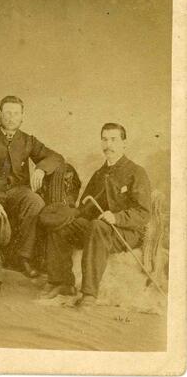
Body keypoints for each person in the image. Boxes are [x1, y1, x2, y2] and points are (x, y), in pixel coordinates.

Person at [0, 95, 64, 302]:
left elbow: (55, 157)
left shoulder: (28, 140)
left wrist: (41, 169)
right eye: (7, 113)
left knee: (35, 201)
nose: (11, 117)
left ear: (22, 117)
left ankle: (23, 257)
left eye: (16, 113)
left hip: (17, 194)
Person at [42, 123, 151, 306]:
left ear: (124, 143)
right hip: (99, 229)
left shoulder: (136, 172)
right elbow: (86, 208)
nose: (109, 145)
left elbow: (143, 213)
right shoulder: (99, 174)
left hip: (127, 231)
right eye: (105, 140)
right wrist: (69, 215)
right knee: (61, 224)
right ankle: (62, 282)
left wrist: (116, 218)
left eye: (114, 140)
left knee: (97, 226)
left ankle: (89, 294)